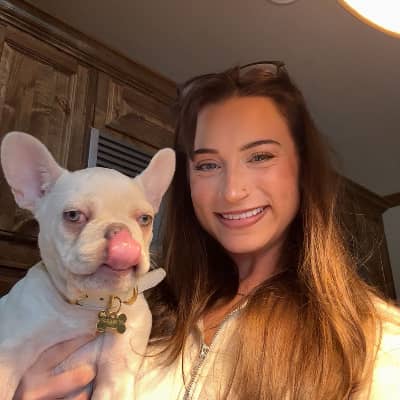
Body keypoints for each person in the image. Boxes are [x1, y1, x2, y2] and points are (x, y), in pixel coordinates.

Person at [14, 62, 400, 399]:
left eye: (260, 156)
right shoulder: (140, 309)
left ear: (303, 170)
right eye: (208, 165)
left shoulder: (375, 342)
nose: (232, 191)